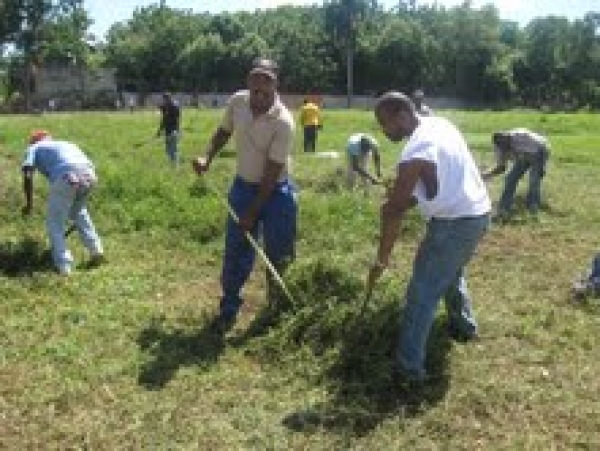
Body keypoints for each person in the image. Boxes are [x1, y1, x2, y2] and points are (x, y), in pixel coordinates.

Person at [368, 91, 491, 382]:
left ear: (403, 115)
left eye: (385, 123)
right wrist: (406, 194)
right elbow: (435, 186)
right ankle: (464, 327)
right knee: (449, 270)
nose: (384, 131)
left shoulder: (415, 152)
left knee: (421, 293)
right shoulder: (439, 124)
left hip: (455, 222)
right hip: (477, 212)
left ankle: (408, 370)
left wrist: (381, 259)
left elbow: (394, 211)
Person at [192, 58, 297, 328]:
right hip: (242, 187)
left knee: (279, 253)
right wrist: (207, 157)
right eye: (256, 77)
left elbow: (272, 173)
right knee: (236, 248)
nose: (260, 84)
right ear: (249, 80)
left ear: (276, 83)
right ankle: (229, 305)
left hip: (276, 194)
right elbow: (223, 132)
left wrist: (252, 212)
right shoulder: (238, 101)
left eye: (267, 79)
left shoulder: (283, 122)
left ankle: (278, 309)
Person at [21, 130, 104, 275]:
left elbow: (28, 173)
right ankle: (96, 250)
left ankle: (63, 265)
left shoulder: (34, 148)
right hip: (89, 175)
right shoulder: (66, 143)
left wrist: (29, 203)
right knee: (79, 213)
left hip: (66, 176)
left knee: (55, 222)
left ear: (34, 141)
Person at [482, 128, 550, 216]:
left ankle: (533, 207)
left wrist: (542, 166)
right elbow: (501, 168)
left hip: (539, 152)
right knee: (510, 179)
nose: (504, 149)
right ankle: (504, 207)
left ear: (509, 138)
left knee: (534, 180)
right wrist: (486, 175)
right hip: (522, 156)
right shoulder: (499, 147)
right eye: (502, 147)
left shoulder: (522, 136)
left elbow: (542, 148)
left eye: (506, 145)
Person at [156, 92, 181, 167]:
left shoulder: (172, 107)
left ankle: (175, 166)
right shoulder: (169, 107)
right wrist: (159, 131)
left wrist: (159, 131)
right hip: (170, 131)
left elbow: (164, 120)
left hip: (173, 131)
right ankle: (173, 164)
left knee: (173, 150)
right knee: (169, 150)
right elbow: (164, 119)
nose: (164, 101)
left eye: (165, 100)